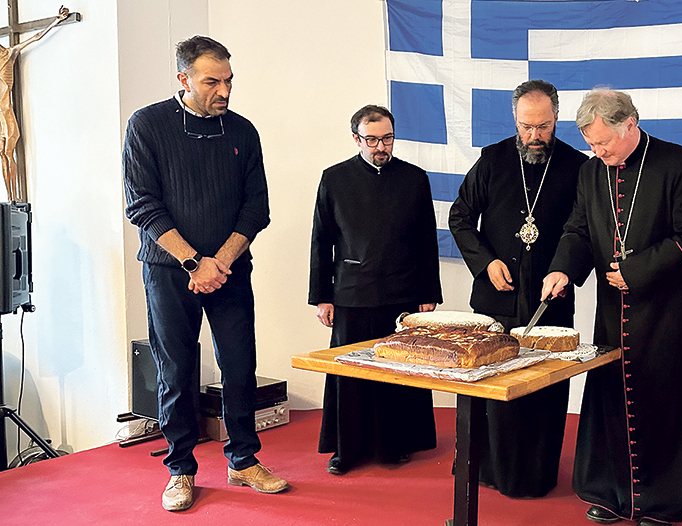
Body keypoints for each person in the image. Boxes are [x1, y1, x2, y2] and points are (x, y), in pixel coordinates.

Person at [123, 35, 287, 512]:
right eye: (212, 82)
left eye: (229, 80)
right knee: (177, 370)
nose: (225, 91)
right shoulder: (147, 125)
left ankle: (243, 460)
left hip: (230, 270)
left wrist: (222, 262)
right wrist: (195, 262)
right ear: (183, 80)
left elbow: (256, 208)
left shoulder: (243, 132)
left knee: (239, 366)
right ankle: (180, 470)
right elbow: (143, 206)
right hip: (170, 270)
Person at [541, 88, 682, 525]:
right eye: (591, 145)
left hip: (668, 309)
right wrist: (563, 268)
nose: (597, 152)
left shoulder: (677, 162)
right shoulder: (590, 172)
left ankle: (660, 503)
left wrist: (636, 272)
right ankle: (611, 491)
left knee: (663, 397)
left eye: (604, 143)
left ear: (630, 126)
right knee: (611, 398)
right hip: (613, 312)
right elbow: (579, 229)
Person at [448, 79, 588, 498]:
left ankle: (535, 473)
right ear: (515, 119)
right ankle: (488, 468)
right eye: (527, 127)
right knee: (492, 388)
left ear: (556, 119)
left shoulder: (578, 166)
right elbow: (460, 217)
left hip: (551, 301)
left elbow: (584, 229)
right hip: (496, 300)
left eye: (543, 127)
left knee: (544, 391)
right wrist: (484, 261)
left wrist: (565, 269)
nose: (534, 136)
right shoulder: (491, 161)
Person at [309, 104, 443, 476]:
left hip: (402, 293)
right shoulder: (334, 178)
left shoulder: (415, 178)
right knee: (351, 372)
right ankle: (346, 449)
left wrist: (428, 291)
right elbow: (321, 241)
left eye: (387, 138)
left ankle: (394, 445)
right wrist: (322, 296)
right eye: (372, 139)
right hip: (351, 293)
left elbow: (425, 240)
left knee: (396, 371)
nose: (381, 146)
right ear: (356, 139)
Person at [1, 6, 70, 201]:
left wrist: (56, 20)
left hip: (7, 113)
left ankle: (13, 199)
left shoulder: (9, 54)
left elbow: (36, 37)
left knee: (9, 154)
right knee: (3, 157)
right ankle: (10, 198)